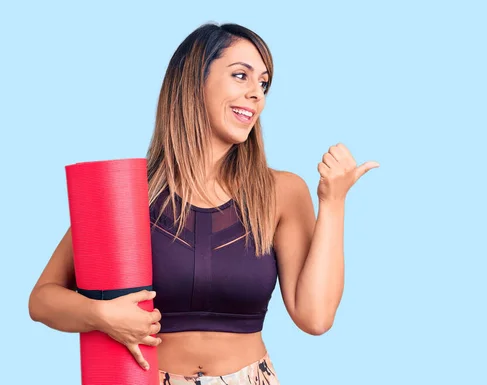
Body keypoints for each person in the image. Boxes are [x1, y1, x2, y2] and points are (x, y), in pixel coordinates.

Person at [28, 22, 378, 384]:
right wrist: (102, 316)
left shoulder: (281, 192)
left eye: (263, 83)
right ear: (194, 82)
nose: (257, 94)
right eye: (241, 76)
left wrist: (333, 202)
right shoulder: (127, 193)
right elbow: (42, 300)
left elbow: (315, 317)